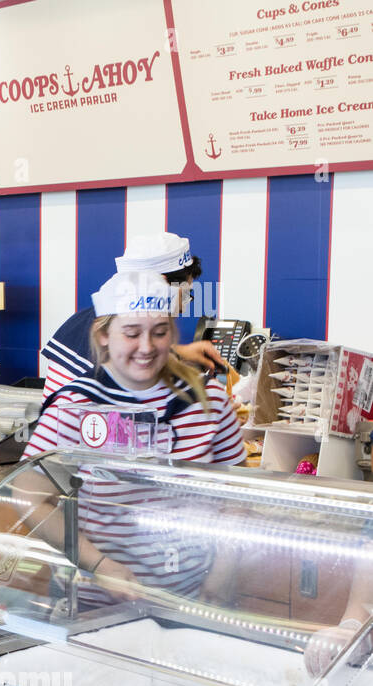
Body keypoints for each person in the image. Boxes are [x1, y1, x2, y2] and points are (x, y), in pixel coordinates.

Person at [23, 272, 246, 602]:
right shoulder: (77, 404)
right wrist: (101, 566)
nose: (147, 347)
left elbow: (237, 500)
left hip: (190, 599)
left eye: (159, 332)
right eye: (131, 333)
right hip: (94, 605)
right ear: (103, 335)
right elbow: (30, 501)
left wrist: (218, 580)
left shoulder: (207, 399)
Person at [40, 233, 225, 397]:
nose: (184, 308)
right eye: (186, 295)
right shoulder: (111, 337)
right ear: (159, 284)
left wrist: (178, 352)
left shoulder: (93, 318)